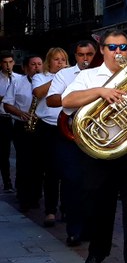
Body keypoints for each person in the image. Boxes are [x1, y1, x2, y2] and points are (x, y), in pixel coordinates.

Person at [62, 31, 127, 263]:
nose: (119, 51)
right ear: (102, 50)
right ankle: (97, 252)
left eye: (124, 47)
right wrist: (100, 92)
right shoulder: (89, 76)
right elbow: (67, 101)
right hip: (101, 154)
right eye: (113, 46)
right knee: (99, 207)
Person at [47, 40, 97, 245]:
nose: (85, 59)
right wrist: (78, 96)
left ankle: (91, 229)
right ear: (74, 56)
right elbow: (51, 100)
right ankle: (74, 230)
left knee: (94, 183)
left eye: (89, 54)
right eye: (80, 55)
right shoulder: (65, 75)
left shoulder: (104, 74)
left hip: (98, 135)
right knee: (72, 181)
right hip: (71, 134)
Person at [32, 47, 69, 226]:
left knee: (67, 170)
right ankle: (50, 210)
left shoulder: (71, 75)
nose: (60, 62)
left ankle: (66, 208)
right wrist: (58, 77)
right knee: (51, 171)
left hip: (66, 127)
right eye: (56, 59)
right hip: (47, 127)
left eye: (63, 59)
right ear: (49, 61)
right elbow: (39, 93)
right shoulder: (41, 76)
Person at [4, 54, 43, 212]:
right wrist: (21, 113)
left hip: (41, 126)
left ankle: (36, 196)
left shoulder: (48, 82)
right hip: (22, 126)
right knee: (24, 163)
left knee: (39, 164)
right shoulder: (17, 82)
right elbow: (7, 104)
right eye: (33, 64)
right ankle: (23, 196)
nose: (37, 67)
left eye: (39, 64)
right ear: (26, 68)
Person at [0, 51, 19, 191]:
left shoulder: (19, 78)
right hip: (2, 119)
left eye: (10, 62)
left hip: (17, 119)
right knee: (4, 153)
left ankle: (21, 183)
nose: (8, 65)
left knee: (22, 152)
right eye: (5, 62)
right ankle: (7, 183)